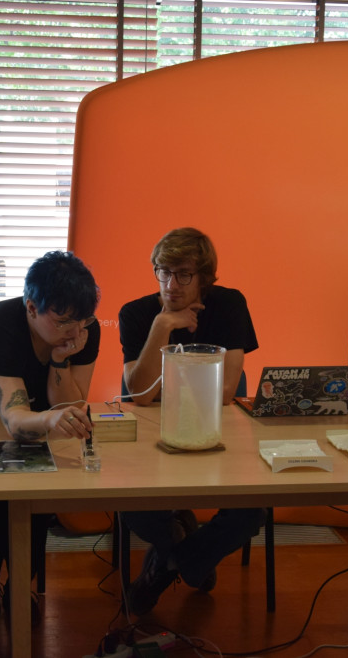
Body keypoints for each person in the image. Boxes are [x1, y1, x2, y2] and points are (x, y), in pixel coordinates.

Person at [0, 250, 100, 620]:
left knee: (35, 490)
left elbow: (70, 404)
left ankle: (21, 580)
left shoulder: (82, 330)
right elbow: (14, 420)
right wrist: (50, 419)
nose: (76, 331)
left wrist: (60, 360)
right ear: (31, 307)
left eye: (83, 319)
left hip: (36, 409)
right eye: (64, 321)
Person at [118, 227, 266, 615]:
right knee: (133, 507)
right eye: (163, 272)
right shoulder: (136, 314)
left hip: (216, 435)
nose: (171, 284)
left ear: (204, 276)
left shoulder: (229, 304)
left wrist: (169, 385)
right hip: (153, 439)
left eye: (183, 274)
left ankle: (170, 563)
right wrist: (162, 326)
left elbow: (225, 392)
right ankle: (186, 548)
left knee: (252, 511)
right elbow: (140, 395)